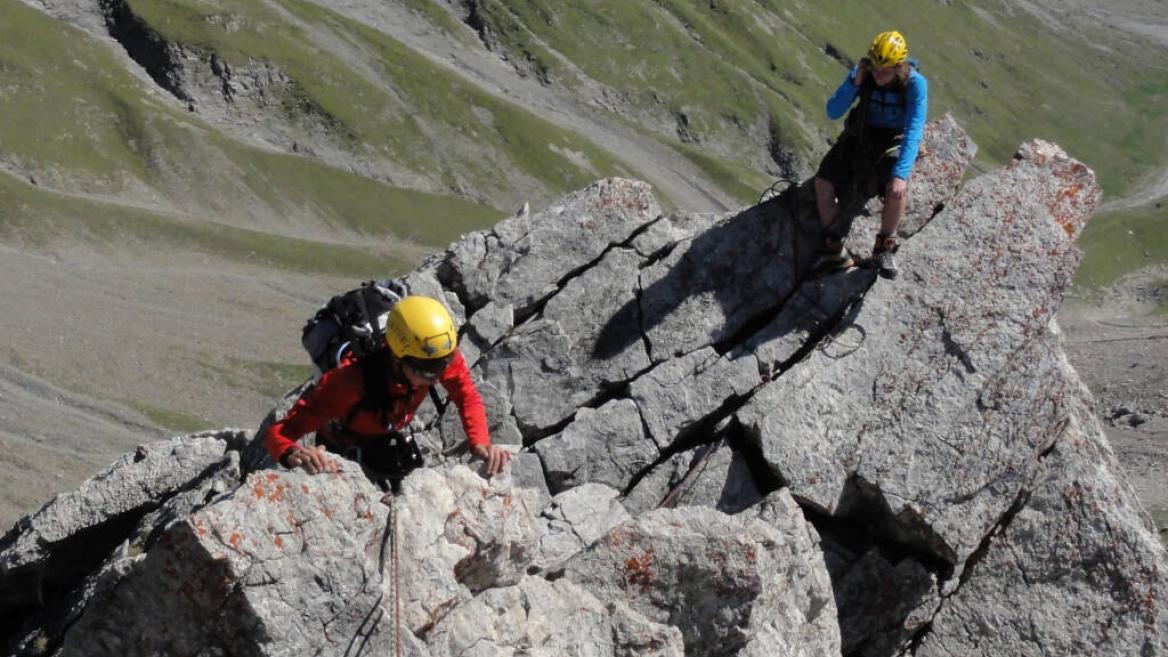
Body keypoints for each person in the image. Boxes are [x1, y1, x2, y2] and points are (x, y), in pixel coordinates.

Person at [263, 295, 511, 488]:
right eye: (425, 372)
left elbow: (466, 396)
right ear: (396, 357)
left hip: (388, 434)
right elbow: (281, 432)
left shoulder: (436, 356)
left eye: (442, 365)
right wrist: (292, 454)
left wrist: (480, 442)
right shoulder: (349, 381)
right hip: (342, 446)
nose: (436, 377)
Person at [813, 30, 928, 279]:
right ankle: (834, 250)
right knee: (822, 183)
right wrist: (855, 83)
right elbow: (833, 111)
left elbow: (914, 129)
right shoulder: (863, 73)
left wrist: (900, 175)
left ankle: (883, 248)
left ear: (899, 67)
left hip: (892, 140)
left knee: (896, 190)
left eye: (884, 71)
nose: (877, 76)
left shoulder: (915, 84)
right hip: (861, 135)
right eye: (874, 69)